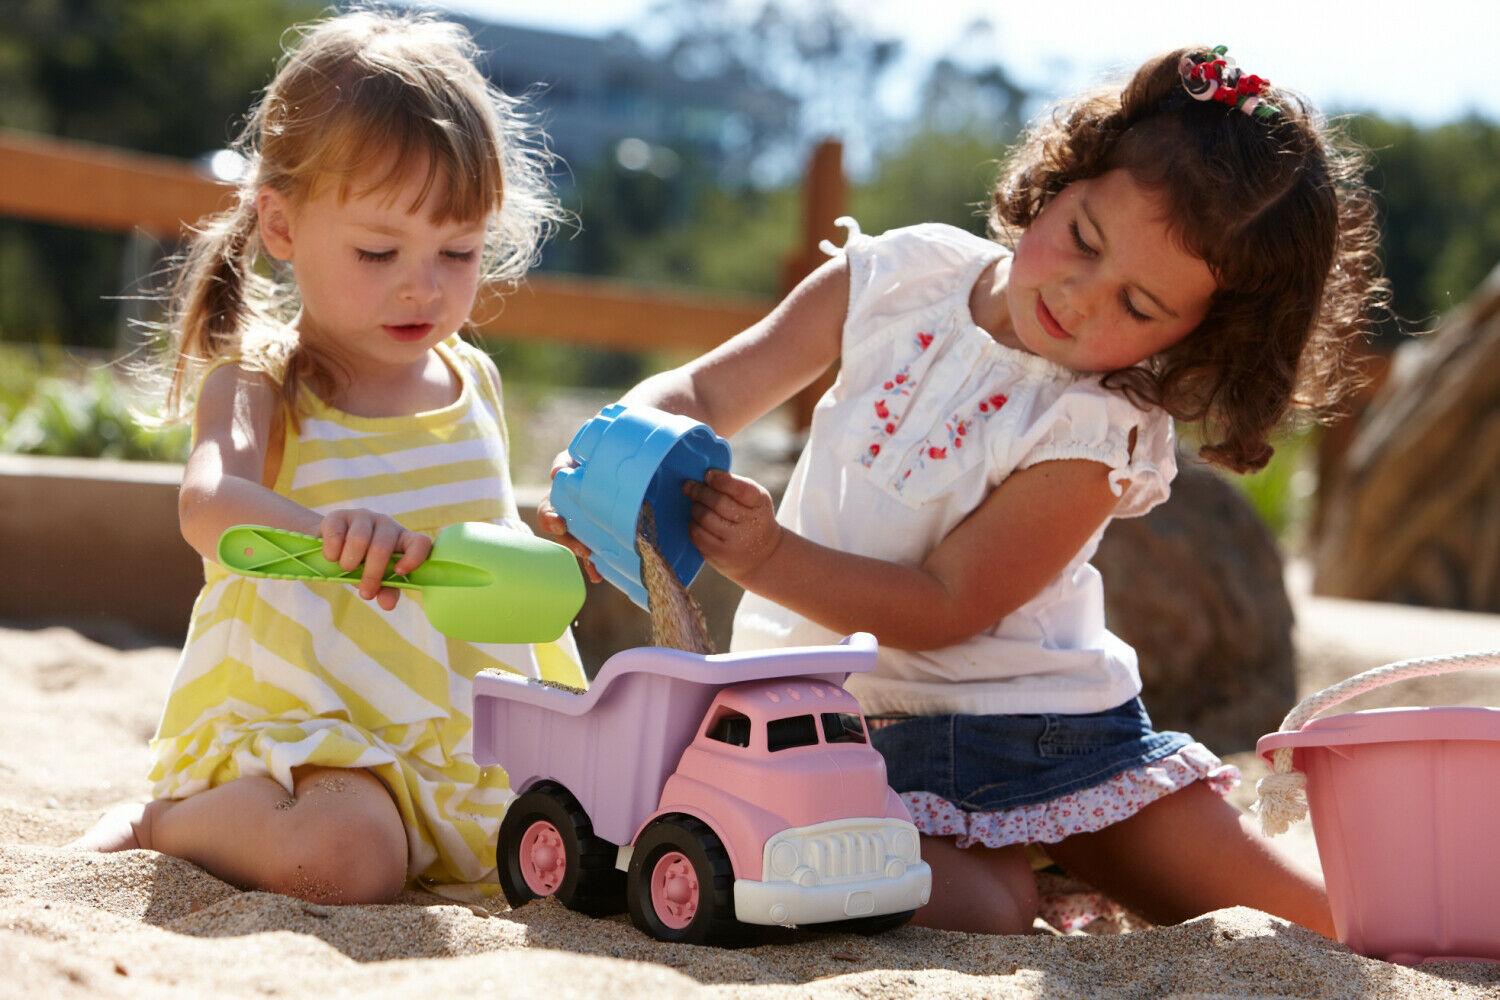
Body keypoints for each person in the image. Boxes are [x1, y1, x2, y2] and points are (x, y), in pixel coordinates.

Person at [541, 46, 1386, 936]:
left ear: (1202, 337)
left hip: (1048, 737)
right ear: (1063, 179)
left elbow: (946, 604)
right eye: (1084, 240)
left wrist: (767, 557)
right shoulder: (900, 279)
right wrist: (618, 450)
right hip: (834, 723)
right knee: (989, 908)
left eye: (1139, 308)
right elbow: (707, 392)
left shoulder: (1100, 425)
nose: (1080, 295)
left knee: (1327, 918)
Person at [71, 10, 582, 905]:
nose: (422, 283)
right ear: (280, 224)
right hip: (318, 742)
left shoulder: (476, 379)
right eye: (379, 250)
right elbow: (207, 506)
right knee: (346, 859)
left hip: (463, 741)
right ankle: (168, 821)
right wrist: (323, 530)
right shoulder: (263, 382)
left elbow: (476, 544)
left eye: (458, 251)